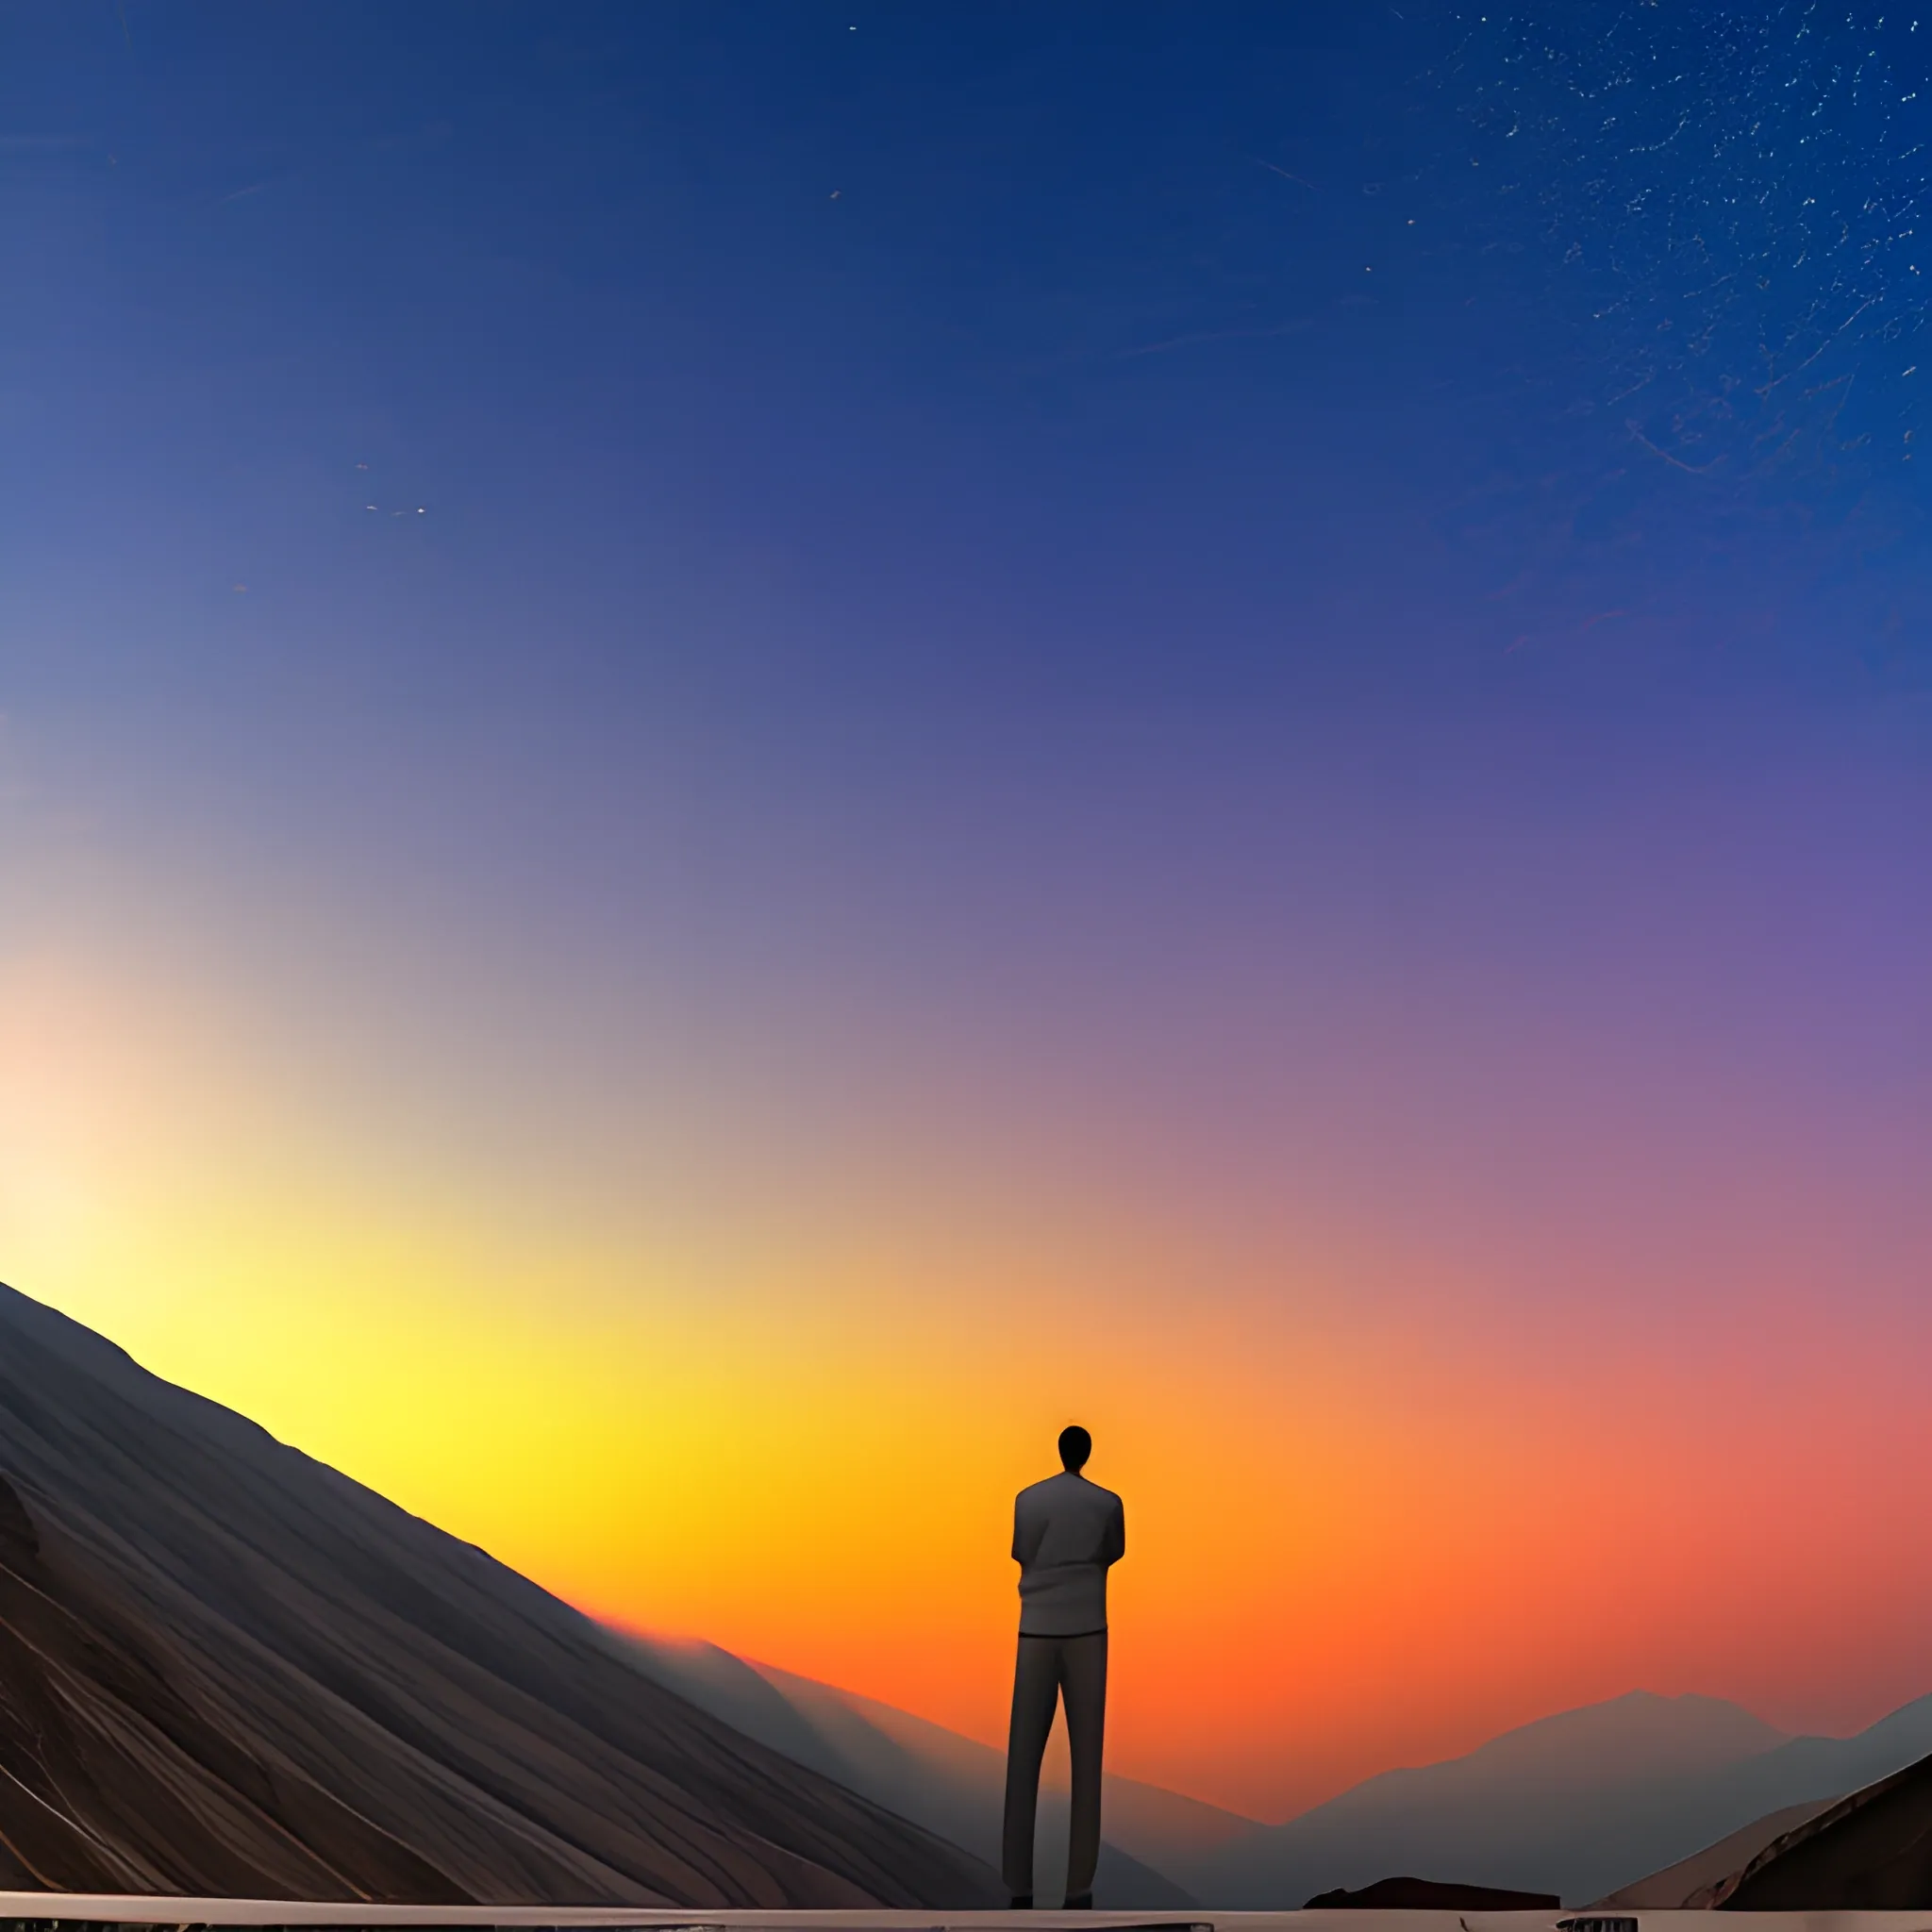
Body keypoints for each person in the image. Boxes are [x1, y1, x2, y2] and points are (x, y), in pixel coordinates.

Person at [1001, 1424, 1125, 1910]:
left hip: (1035, 1630)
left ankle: (1018, 1886)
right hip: (1088, 1630)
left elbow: (1020, 1553)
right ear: (1087, 1453)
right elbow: (1114, 1552)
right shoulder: (1108, 1503)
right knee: (1086, 1760)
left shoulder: (1028, 1499)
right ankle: (1079, 1888)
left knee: (1023, 1756)